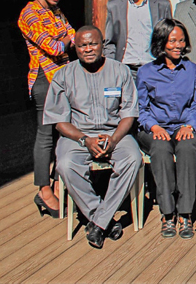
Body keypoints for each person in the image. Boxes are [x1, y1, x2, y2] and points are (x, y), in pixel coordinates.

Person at [46, 26, 141, 249]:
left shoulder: (120, 71)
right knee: (66, 164)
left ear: (102, 45)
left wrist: (115, 140)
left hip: (115, 133)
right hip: (78, 136)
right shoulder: (63, 75)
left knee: (133, 159)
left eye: (93, 44)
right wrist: (84, 140)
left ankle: (98, 223)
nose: (88, 49)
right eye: (82, 45)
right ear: (75, 48)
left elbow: (129, 113)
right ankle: (103, 220)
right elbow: (59, 121)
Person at [136, 19, 196, 239]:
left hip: (183, 126)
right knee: (161, 149)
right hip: (155, 128)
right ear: (161, 42)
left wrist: (190, 125)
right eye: (172, 40)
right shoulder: (146, 72)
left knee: (186, 148)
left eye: (181, 40)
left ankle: (185, 213)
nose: (178, 45)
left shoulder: (192, 70)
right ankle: (167, 213)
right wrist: (153, 126)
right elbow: (142, 109)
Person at [19, 0, 75, 218]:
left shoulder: (56, 11)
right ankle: (43, 189)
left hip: (62, 77)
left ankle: (57, 182)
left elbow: (72, 33)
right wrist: (65, 40)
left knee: (63, 131)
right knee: (45, 135)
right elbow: (53, 46)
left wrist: (66, 38)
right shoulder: (30, 13)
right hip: (44, 78)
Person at [104, 0, 172, 78]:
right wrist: (111, 70)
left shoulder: (161, 5)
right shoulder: (115, 6)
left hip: (155, 69)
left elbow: (169, 39)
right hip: (126, 70)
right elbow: (110, 43)